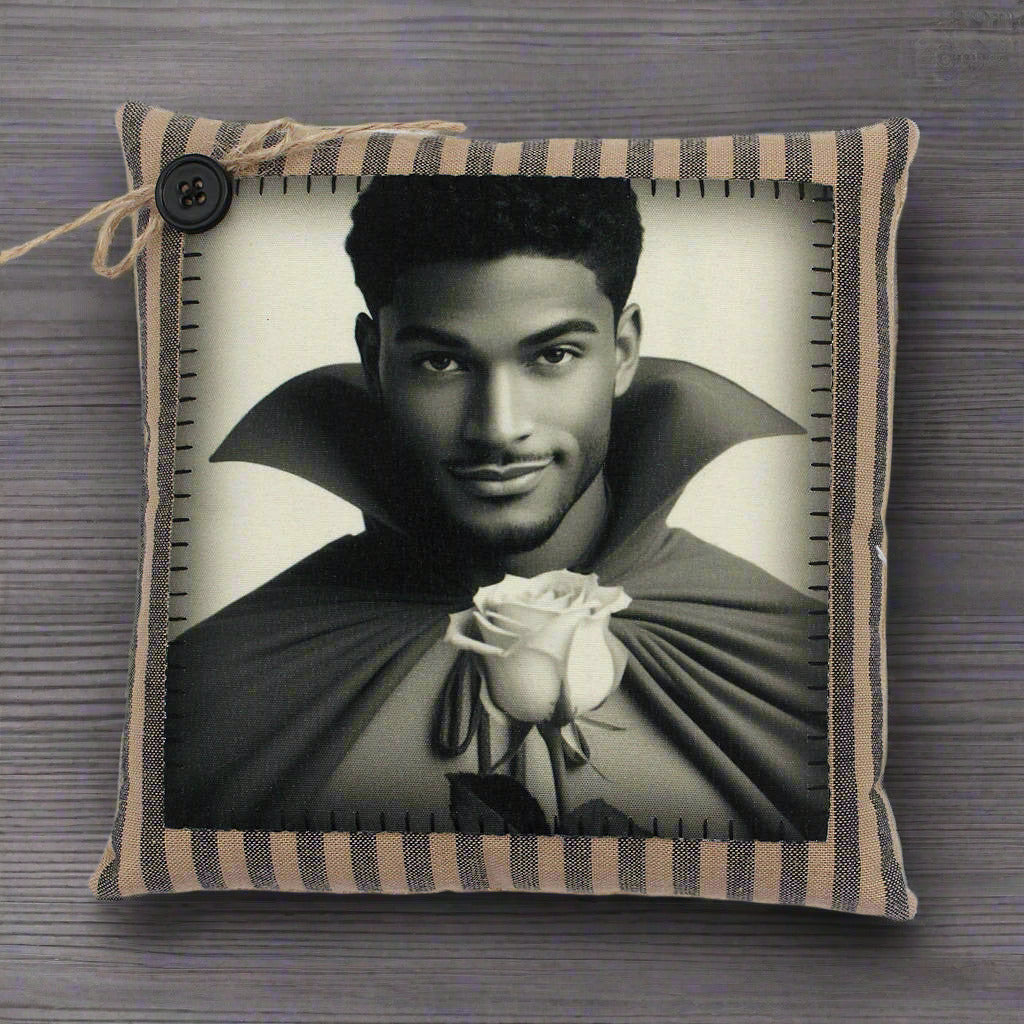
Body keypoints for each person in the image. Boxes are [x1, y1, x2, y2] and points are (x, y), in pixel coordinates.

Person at [164, 175, 830, 840]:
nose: (498, 428)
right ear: (374, 359)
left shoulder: (799, 661)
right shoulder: (214, 691)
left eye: (554, 355)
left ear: (622, 351)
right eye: (440, 364)